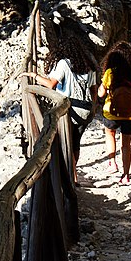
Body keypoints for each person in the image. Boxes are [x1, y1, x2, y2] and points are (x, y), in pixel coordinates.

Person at [36, 31, 98, 183]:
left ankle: (71, 177)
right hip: (86, 110)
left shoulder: (64, 63)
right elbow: (94, 90)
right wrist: (94, 108)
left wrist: (34, 76)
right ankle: (73, 174)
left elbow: (51, 84)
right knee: (76, 142)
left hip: (70, 108)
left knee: (66, 141)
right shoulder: (88, 65)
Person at [98, 41, 131, 185]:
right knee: (126, 144)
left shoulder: (110, 73)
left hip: (111, 112)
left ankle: (112, 162)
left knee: (110, 134)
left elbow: (101, 94)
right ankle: (126, 175)